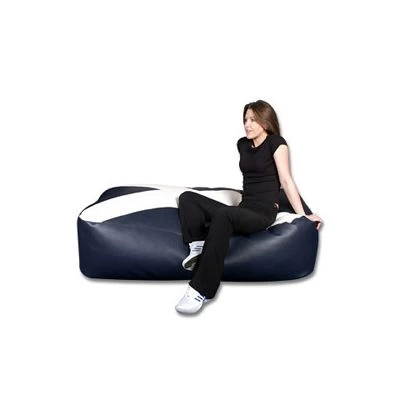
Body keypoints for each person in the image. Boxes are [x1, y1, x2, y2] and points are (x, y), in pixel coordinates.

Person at [175, 100, 323, 314]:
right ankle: (198, 247)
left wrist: (303, 216)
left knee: (224, 215)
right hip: (244, 207)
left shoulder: (276, 143)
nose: (247, 124)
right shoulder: (242, 144)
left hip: (263, 212)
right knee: (187, 198)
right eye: (245, 119)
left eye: (253, 120)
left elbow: (286, 180)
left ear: (266, 121)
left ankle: (201, 290)